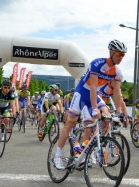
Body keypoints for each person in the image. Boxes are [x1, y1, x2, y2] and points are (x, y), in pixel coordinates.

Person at [53, 39, 127, 170]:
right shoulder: (97, 64)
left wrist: (121, 113)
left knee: (107, 117)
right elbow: (93, 87)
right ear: (111, 52)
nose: (121, 57)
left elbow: (117, 93)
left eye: (123, 55)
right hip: (82, 93)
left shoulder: (117, 72)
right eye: (119, 54)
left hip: (94, 96)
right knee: (71, 123)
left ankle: (90, 149)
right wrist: (94, 108)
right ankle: (58, 156)